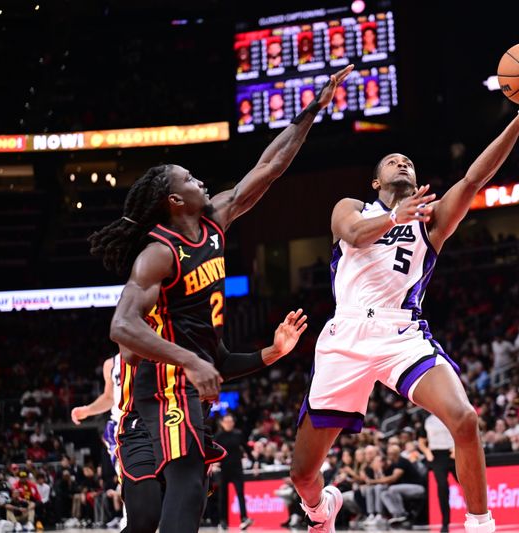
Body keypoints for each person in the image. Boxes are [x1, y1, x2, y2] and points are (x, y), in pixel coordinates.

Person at [288, 70, 519, 533]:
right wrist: (394, 215)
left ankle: (480, 523)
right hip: (344, 337)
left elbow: (475, 177)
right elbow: (352, 234)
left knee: (466, 419)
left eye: (407, 161)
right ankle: (321, 511)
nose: (401, 163)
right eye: (391, 161)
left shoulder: (429, 224)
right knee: (302, 473)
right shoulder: (352, 208)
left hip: (401, 334)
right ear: (375, 182)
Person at [88, 65, 353, 533]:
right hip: (154, 392)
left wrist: (312, 109)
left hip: (180, 391)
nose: (200, 182)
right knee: (171, 501)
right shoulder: (157, 255)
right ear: (174, 200)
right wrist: (188, 361)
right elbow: (121, 328)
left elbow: (268, 168)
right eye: (189, 179)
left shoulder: (215, 222)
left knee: (154, 514)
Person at [71, 353, 127, 529]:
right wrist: (88, 410)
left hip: (150, 422)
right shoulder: (111, 363)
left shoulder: (151, 354)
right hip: (122, 428)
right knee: (130, 477)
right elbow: (109, 397)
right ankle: (130, 520)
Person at [215, 413, 252, 530]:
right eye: (227, 421)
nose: (229, 423)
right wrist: (213, 463)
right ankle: (223, 520)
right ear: (222, 423)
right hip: (224, 469)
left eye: (231, 421)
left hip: (237, 468)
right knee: (223, 496)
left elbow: (246, 448)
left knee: (240, 493)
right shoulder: (218, 436)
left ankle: (244, 518)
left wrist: (254, 461)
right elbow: (213, 451)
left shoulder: (238, 434)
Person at [419, 414, 455, 533]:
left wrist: (456, 448)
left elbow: (460, 432)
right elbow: (421, 441)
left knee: (466, 484)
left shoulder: (450, 415)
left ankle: (476, 515)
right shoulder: (427, 420)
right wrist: (427, 452)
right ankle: (445, 523)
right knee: (442, 487)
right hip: (437, 456)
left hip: (453, 453)